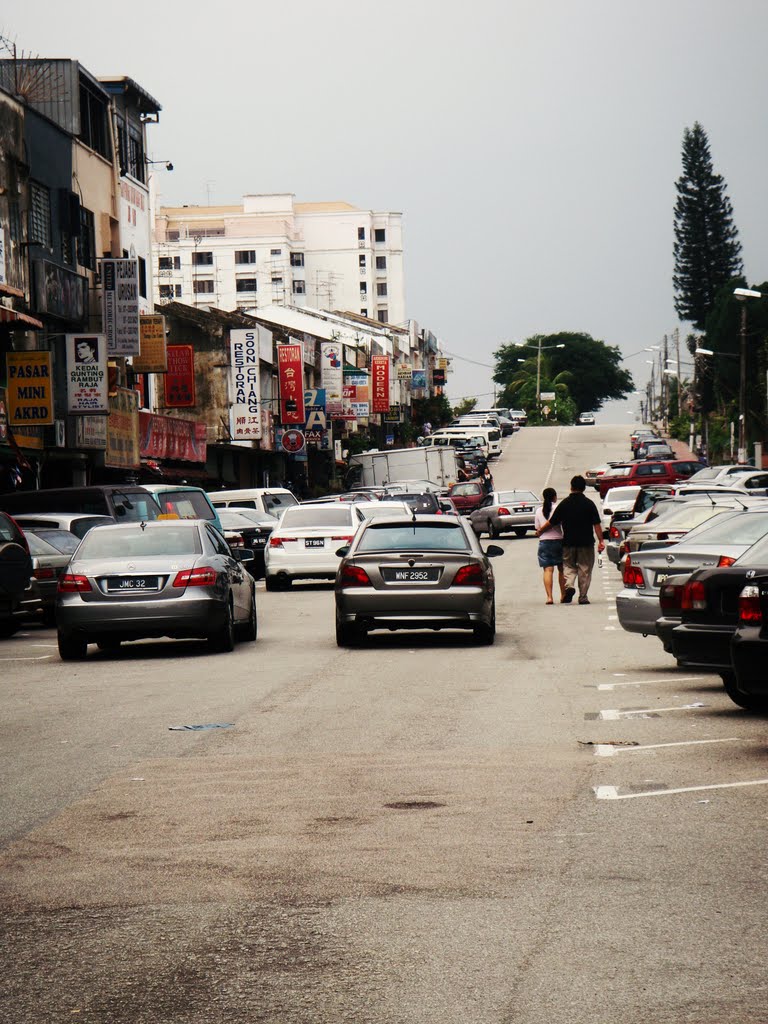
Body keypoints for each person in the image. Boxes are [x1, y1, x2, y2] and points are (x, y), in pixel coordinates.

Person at [535, 474, 604, 604]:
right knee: (585, 568)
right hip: (586, 542)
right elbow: (596, 525)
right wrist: (601, 541)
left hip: (568, 543)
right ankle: (583, 596)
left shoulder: (564, 504)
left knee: (568, 566)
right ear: (583, 488)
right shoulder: (589, 504)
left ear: (571, 487)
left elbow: (552, 522)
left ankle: (569, 586)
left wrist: (540, 531)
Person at [534, 487, 566, 605]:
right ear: (554, 496)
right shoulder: (558, 508)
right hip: (559, 541)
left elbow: (537, 527)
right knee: (562, 570)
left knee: (548, 570)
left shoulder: (539, 511)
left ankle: (549, 597)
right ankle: (563, 595)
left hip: (545, 542)